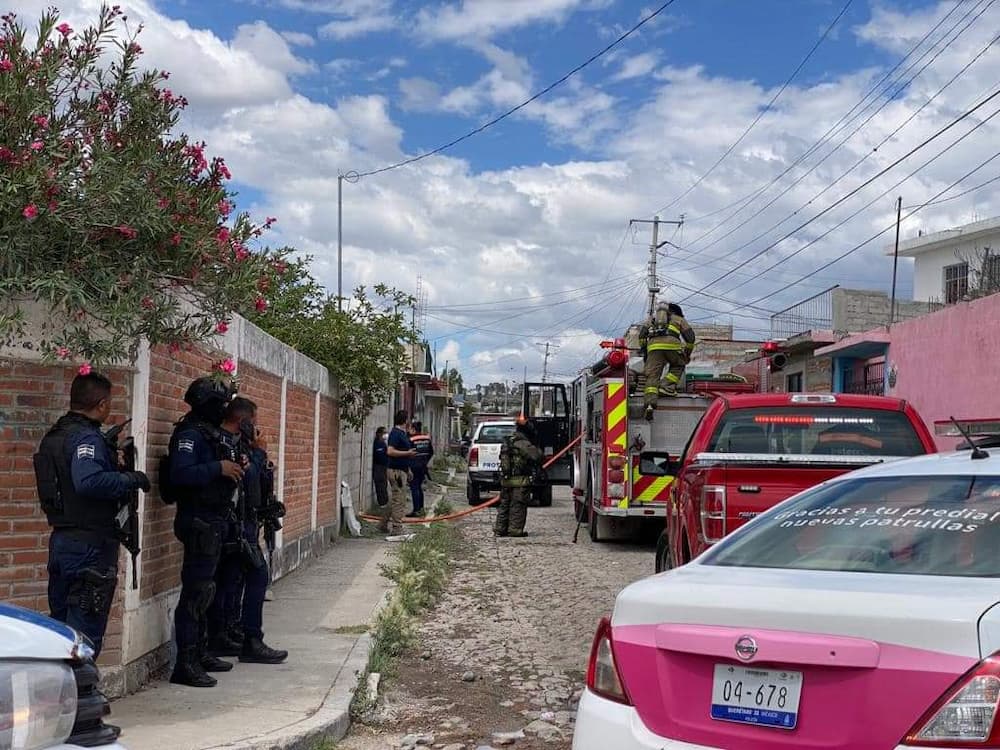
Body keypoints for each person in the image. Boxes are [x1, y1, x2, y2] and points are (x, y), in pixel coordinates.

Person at [35, 372, 150, 657]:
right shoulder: (86, 437)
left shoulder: (54, 436)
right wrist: (132, 479)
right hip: (89, 548)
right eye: (108, 403)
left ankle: (60, 697)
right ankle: (80, 698)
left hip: (62, 542)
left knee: (60, 632)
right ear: (101, 404)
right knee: (83, 638)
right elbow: (88, 481)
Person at [167, 376, 242, 688]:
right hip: (198, 520)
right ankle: (185, 663)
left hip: (215, 518)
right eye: (221, 403)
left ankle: (201, 651)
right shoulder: (189, 435)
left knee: (208, 591)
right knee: (196, 593)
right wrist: (218, 469)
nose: (225, 409)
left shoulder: (210, 434)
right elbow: (180, 474)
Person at [208, 397, 288, 665]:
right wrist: (260, 453)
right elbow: (246, 478)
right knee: (257, 575)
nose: (257, 429)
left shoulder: (239, 444)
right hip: (235, 524)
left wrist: (263, 462)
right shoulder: (227, 443)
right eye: (254, 423)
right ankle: (251, 639)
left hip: (243, 521)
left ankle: (232, 633)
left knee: (234, 580)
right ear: (244, 422)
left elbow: (258, 480)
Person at [639, 301, 696, 420]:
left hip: (654, 349)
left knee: (652, 376)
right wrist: (687, 353)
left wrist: (645, 351)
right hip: (673, 347)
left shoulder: (652, 319)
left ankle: (650, 404)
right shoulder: (679, 319)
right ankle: (666, 386)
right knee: (679, 365)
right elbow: (690, 337)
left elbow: (642, 335)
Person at [494, 417, 542, 538]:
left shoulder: (508, 441)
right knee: (518, 505)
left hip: (506, 480)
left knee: (504, 504)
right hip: (519, 481)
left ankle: (500, 529)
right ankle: (515, 530)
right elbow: (537, 456)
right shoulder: (523, 443)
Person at [380, 410, 417, 535]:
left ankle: (383, 523)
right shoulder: (396, 433)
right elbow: (390, 451)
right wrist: (408, 453)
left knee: (395, 499)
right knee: (399, 500)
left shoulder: (402, 433)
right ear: (404, 420)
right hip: (396, 471)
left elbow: (404, 452)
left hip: (402, 470)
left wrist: (408, 470)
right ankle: (396, 528)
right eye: (408, 419)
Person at [407, 421, 434, 518]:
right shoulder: (426, 438)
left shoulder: (411, 439)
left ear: (414, 429)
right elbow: (431, 452)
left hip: (414, 466)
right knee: (419, 487)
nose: (409, 430)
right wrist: (425, 461)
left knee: (414, 487)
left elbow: (408, 453)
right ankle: (421, 508)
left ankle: (416, 510)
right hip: (423, 466)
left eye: (410, 428)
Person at [372, 427, 389, 507]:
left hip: (384, 466)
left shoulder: (383, 443)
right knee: (380, 484)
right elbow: (380, 456)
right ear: (379, 434)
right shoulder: (378, 443)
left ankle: (385, 501)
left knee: (384, 483)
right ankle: (382, 502)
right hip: (378, 466)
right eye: (384, 433)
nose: (385, 435)